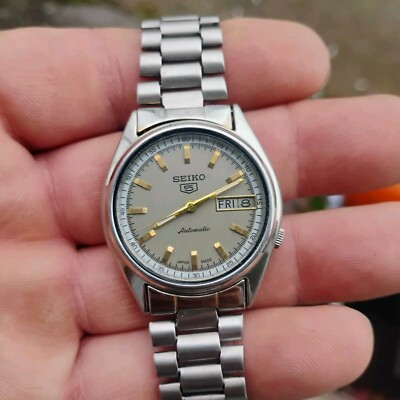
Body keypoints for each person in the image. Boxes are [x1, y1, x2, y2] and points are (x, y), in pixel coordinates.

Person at [0, 18, 399, 400]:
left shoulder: (201, 133)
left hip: (211, 268)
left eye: (194, 203)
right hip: (165, 273)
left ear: (272, 225)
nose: (191, 206)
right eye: (189, 205)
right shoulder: (155, 134)